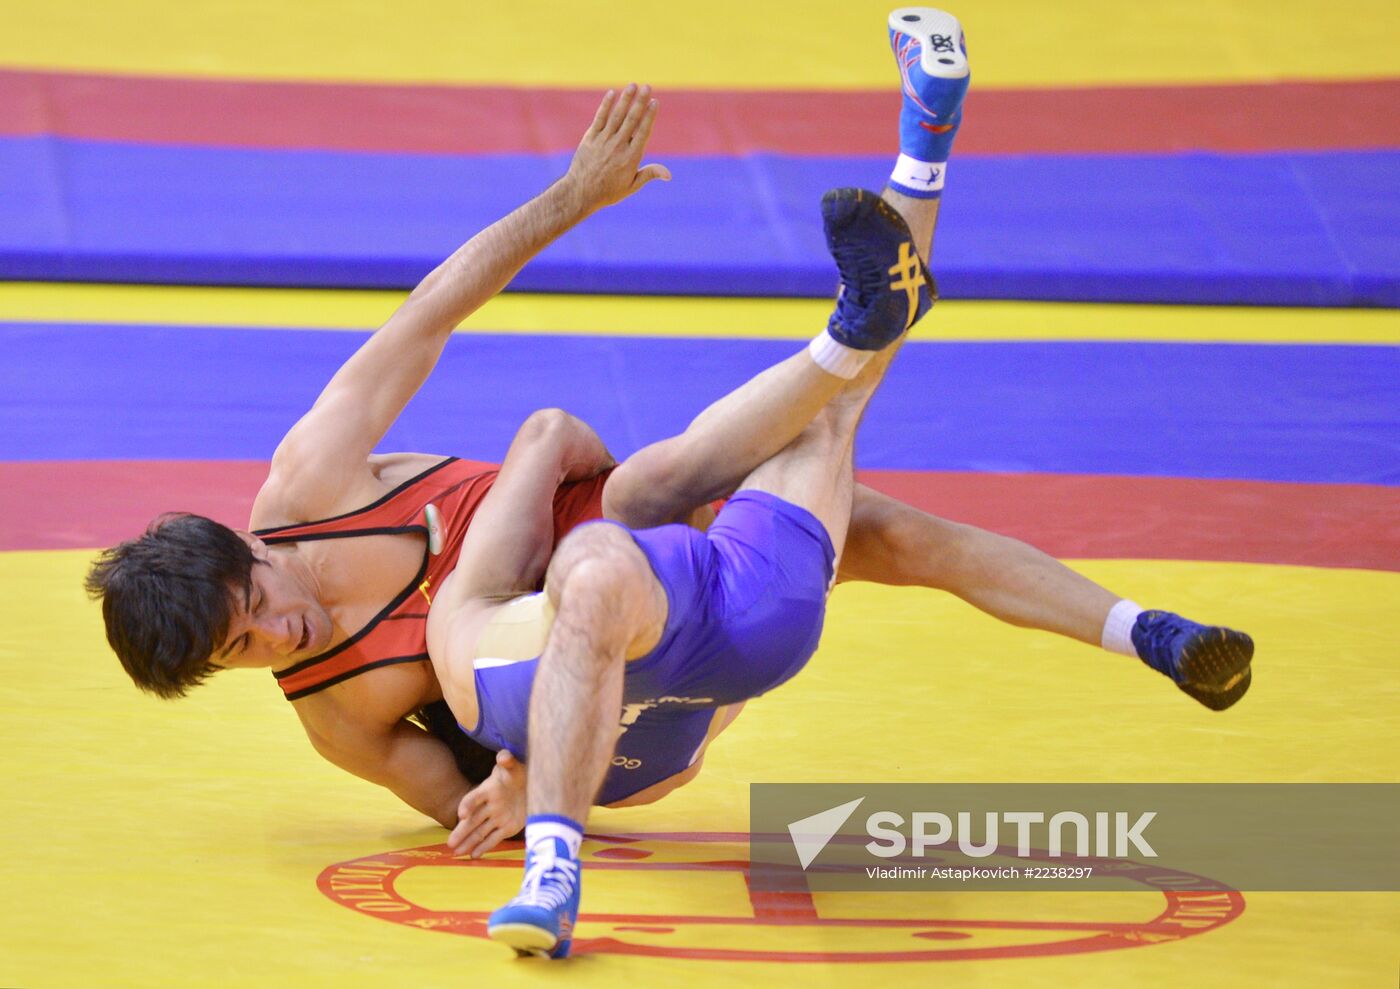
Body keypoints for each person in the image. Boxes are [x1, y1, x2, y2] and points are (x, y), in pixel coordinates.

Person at [83, 12, 1252, 856]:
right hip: (628, 705)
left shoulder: (313, 477)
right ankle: (902, 202)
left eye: (256, 607)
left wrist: (568, 200)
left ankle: (1145, 629)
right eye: (244, 654)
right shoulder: (339, 712)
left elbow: (429, 308)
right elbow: (482, 797)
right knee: (665, 478)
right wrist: (503, 802)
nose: (278, 636)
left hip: (627, 555)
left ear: (250, 551)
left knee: (871, 519)